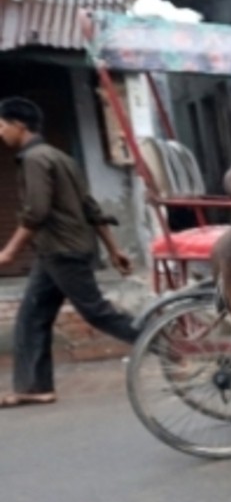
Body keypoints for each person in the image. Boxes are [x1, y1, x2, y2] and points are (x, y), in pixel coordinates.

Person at [0, 97, 138, 408]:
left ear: (19, 126)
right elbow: (91, 207)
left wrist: (8, 252)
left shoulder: (35, 160)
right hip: (56, 251)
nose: (1, 133)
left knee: (97, 312)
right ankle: (35, 387)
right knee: (32, 316)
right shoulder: (60, 157)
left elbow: (35, 211)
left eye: (2, 125)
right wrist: (114, 250)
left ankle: (164, 345)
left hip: (61, 250)